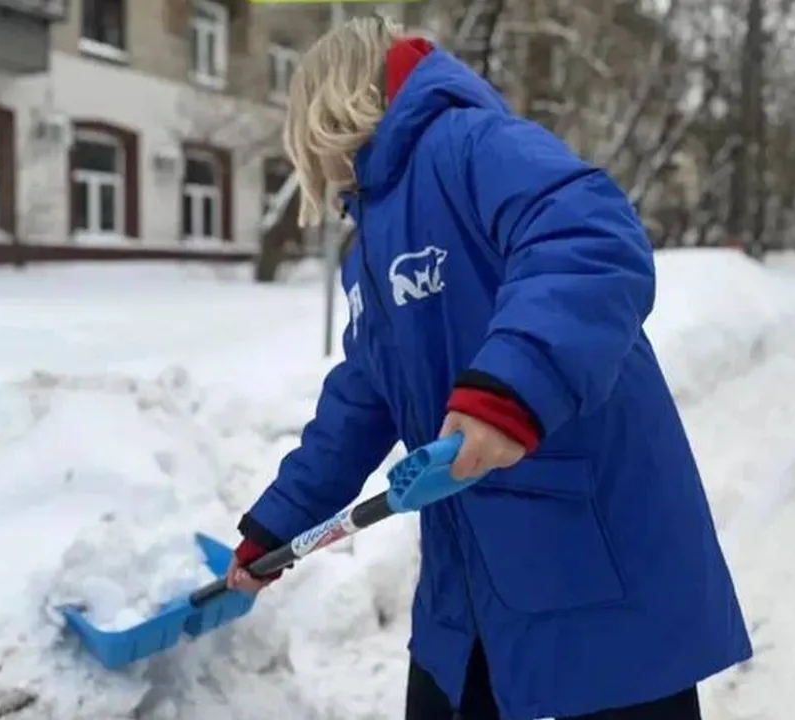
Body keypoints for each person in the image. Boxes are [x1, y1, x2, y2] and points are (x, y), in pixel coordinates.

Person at [226, 16, 752, 720]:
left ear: (331, 106)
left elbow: (590, 238)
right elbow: (361, 396)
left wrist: (507, 395)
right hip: (469, 580)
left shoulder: (470, 144)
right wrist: (275, 528)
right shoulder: (371, 242)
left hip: (591, 559)